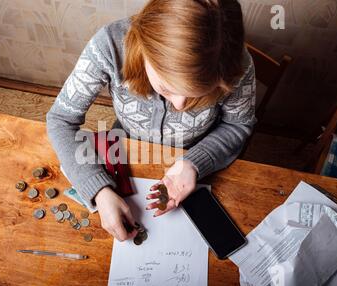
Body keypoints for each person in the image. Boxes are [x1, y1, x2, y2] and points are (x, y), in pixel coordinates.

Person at [46, 0, 256, 241]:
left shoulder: (236, 65)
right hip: (124, 149)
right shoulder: (109, 45)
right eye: (167, 88)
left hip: (200, 153)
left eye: (198, 95)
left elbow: (238, 124)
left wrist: (193, 164)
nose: (179, 106)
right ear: (146, 51)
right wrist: (98, 189)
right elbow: (61, 120)